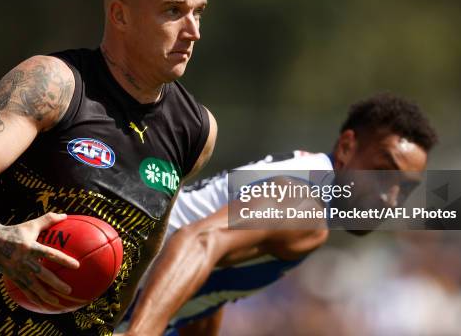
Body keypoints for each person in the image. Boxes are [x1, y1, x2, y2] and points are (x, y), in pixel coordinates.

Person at [0, 0, 217, 336]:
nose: (194, 32)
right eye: (173, 11)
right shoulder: (53, 84)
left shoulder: (196, 130)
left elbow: (144, 249)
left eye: (198, 13)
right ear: (120, 16)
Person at [117, 93, 438, 336]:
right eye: (383, 172)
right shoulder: (305, 203)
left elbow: (208, 272)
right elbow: (197, 242)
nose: (390, 198)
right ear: (346, 148)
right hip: (92, 280)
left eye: (404, 189)